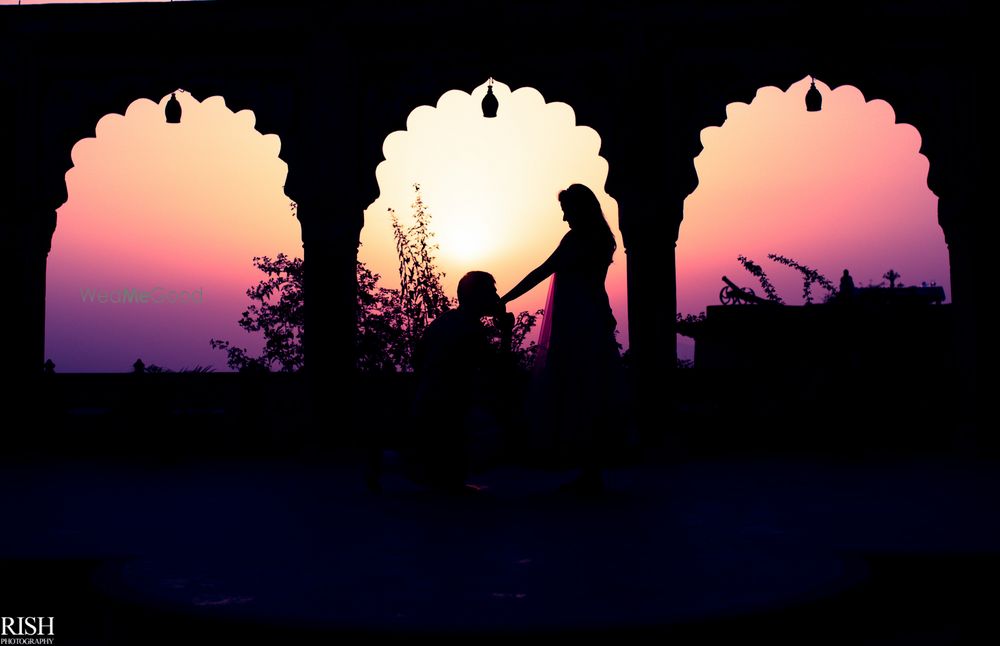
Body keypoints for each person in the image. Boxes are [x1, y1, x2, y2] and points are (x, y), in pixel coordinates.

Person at [500, 184, 621, 495]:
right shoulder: (602, 239)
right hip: (593, 319)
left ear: (579, 209)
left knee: (580, 391)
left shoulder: (578, 240)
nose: (565, 218)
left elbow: (543, 271)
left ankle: (589, 472)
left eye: (567, 211)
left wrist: (505, 298)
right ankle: (590, 471)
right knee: (591, 393)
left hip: (580, 325)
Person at [410, 271, 514, 492]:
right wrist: (506, 333)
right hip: (446, 410)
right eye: (491, 292)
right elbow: (497, 370)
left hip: (429, 403)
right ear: (478, 297)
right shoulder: (468, 329)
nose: (497, 297)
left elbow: (418, 360)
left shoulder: (446, 321)